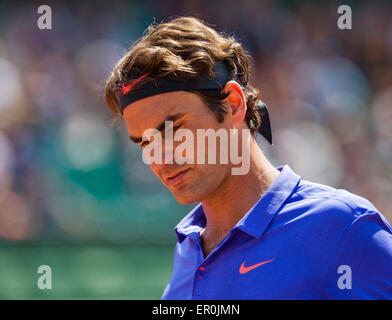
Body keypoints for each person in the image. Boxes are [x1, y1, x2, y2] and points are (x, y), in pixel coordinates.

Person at [104, 16, 392, 299]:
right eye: (144, 142)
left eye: (174, 129)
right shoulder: (188, 248)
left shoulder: (343, 227)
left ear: (233, 104)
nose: (158, 158)